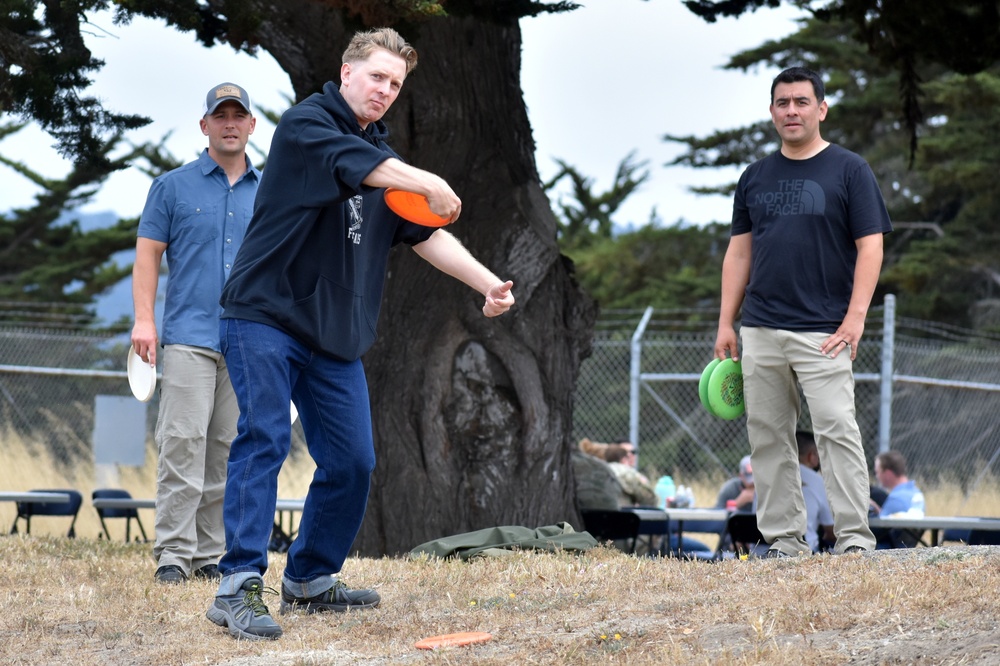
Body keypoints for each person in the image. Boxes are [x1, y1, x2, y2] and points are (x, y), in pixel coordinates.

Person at [204, 28, 515, 641]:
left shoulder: (384, 158)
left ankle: (310, 579)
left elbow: (424, 234)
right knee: (263, 438)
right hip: (265, 314)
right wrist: (427, 180)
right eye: (377, 77)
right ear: (346, 72)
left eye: (395, 85)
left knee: (353, 462)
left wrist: (487, 283)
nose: (385, 91)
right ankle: (237, 585)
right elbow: (366, 167)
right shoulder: (307, 125)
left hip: (333, 335)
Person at [713, 66, 892, 558]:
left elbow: (871, 247)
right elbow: (739, 254)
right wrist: (727, 322)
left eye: (801, 101)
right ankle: (787, 544)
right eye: (782, 102)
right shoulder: (755, 177)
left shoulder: (850, 170)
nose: (791, 110)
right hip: (762, 330)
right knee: (768, 439)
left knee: (837, 432)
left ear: (821, 109)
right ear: (772, 112)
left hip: (826, 332)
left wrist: (855, 319)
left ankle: (855, 540)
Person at [131, 82, 259, 585]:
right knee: (182, 442)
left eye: (238, 115)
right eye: (220, 115)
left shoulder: (269, 193)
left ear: (251, 126)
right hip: (188, 336)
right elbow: (147, 255)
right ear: (204, 125)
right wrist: (145, 320)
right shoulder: (172, 187)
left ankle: (210, 555)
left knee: (226, 446)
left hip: (248, 338)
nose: (229, 123)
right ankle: (173, 554)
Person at [796, 431, 835, 553]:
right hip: (804, 552)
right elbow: (831, 531)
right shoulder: (817, 481)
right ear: (811, 456)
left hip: (759, 549)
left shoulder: (767, 478)